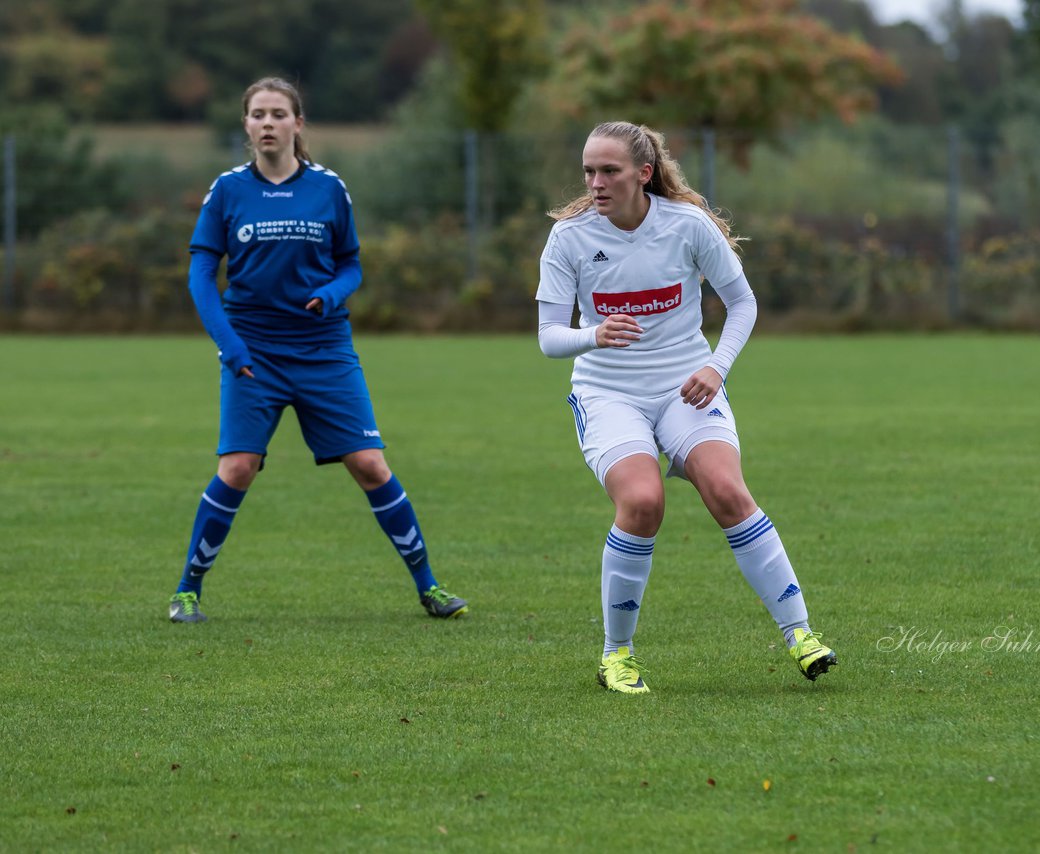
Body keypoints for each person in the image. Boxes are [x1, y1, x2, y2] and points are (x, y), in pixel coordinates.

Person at [535, 120, 837, 694]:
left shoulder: (687, 225)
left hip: (686, 387)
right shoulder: (568, 238)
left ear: (643, 173)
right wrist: (594, 335)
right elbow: (550, 336)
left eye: (609, 171)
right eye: (588, 172)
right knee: (643, 502)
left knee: (728, 492)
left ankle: (801, 635)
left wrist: (714, 367)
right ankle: (616, 655)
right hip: (608, 393)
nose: (595, 182)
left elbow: (743, 304)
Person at [167, 77, 467, 623]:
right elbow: (200, 275)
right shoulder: (228, 190)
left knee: (371, 464)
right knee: (237, 467)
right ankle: (187, 590)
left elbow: (351, 263)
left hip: (324, 348)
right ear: (246, 125)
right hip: (252, 350)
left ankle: (431, 587)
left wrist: (332, 293)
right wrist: (232, 348)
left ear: (297, 124)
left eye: (278, 114)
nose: (267, 123)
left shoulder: (329, 188)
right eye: (257, 114)